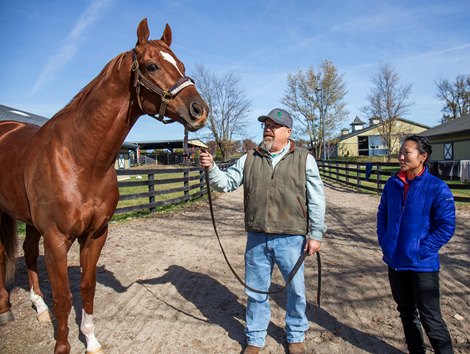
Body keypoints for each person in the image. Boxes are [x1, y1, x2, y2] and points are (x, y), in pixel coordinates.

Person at [199, 108, 326, 354]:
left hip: (292, 236)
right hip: (257, 236)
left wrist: (316, 234)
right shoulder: (250, 157)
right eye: (266, 124)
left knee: (296, 291)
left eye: (274, 125)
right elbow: (226, 184)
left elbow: (317, 199)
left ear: (288, 132)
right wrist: (212, 167)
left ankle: (296, 335)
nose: (268, 128)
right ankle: (255, 338)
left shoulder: (304, 158)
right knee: (256, 291)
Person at [377, 135, 455, 354]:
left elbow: (446, 226)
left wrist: (420, 251)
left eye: (407, 152)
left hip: (422, 266)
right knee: (406, 312)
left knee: (431, 318)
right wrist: (385, 241)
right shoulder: (393, 184)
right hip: (395, 261)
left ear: (423, 157)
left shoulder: (437, 188)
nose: (401, 156)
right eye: (400, 151)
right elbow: (383, 213)